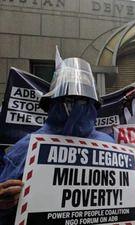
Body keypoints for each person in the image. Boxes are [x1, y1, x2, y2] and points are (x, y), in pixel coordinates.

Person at [0, 52, 114, 224]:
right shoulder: (26, 148)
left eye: (83, 100)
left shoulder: (109, 144)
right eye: (68, 99)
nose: (76, 106)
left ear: (93, 105)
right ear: (53, 102)